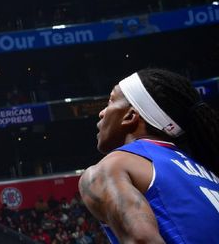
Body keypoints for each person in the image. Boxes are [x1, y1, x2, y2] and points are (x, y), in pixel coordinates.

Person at [79, 68, 219, 243]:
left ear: (130, 116)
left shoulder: (112, 167)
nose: (102, 113)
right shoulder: (207, 172)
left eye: (110, 101)